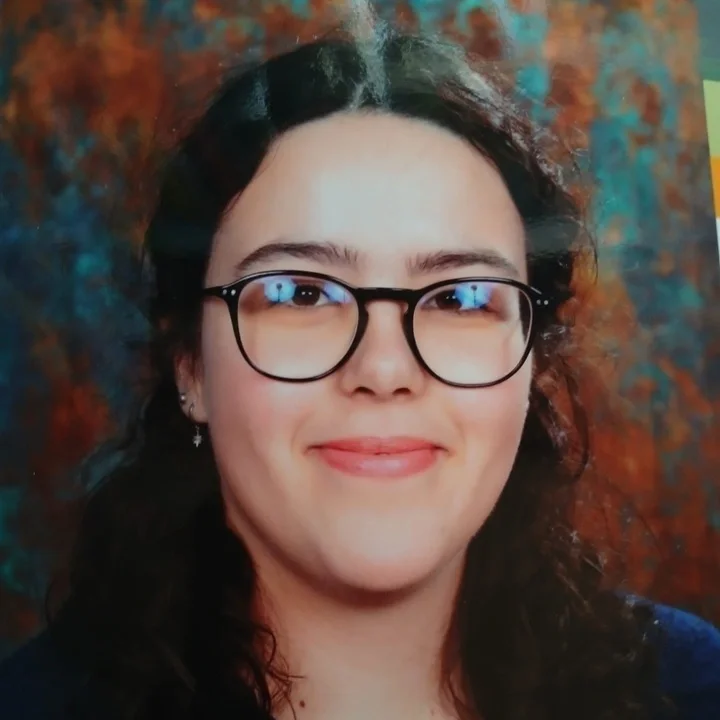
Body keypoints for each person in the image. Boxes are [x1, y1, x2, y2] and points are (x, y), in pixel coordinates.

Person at [1, 9, 719, 720]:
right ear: (189, 366)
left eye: (462, 297)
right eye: (300, 293)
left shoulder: (690, 690)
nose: (383, 368)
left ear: (533, 363)